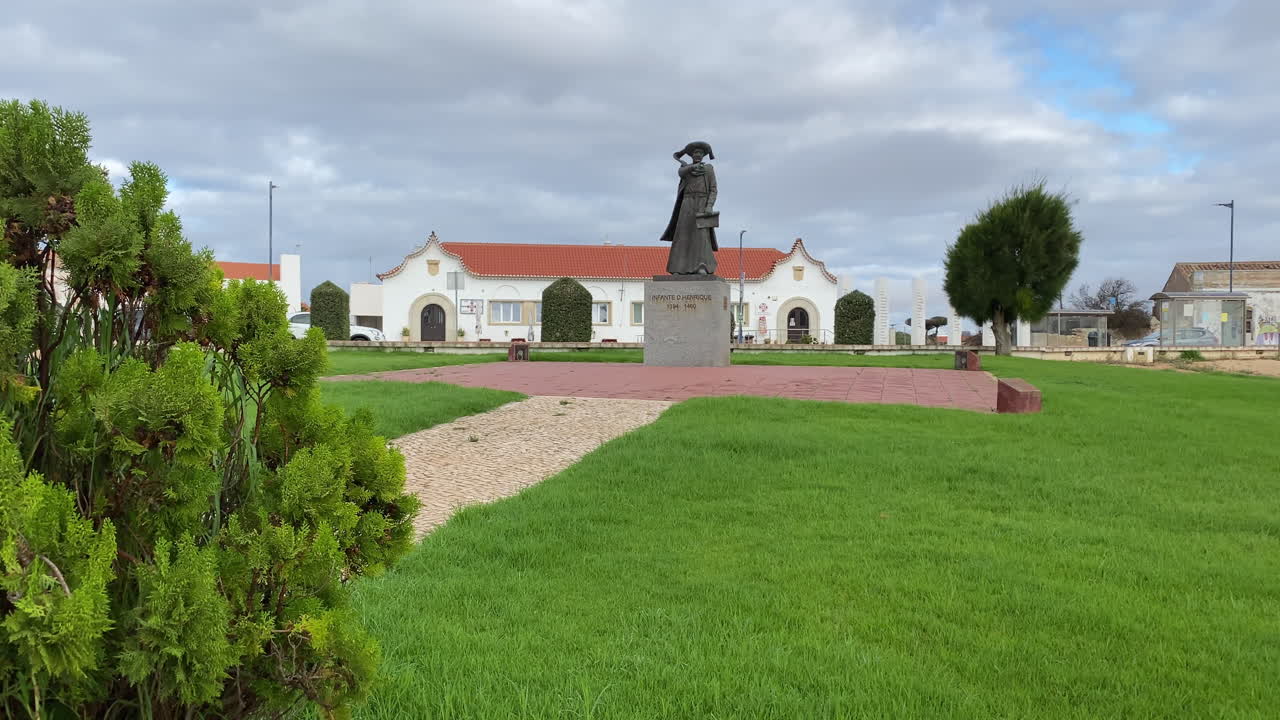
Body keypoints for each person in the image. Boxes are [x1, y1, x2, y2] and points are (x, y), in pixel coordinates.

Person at [659, 141, 718, 275]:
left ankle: (702, 266)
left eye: (700, 153)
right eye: (695, 153)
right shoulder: (685, 169)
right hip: (687, 204)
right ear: (691, 155)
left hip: (702, 203)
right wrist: (691, 167)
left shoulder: (708, 169)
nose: (698, 155)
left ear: (703, 155)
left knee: (701, 237)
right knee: (682, 235)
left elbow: (713, 189)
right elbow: (681, 172)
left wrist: (709, 206)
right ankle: (677, 268)